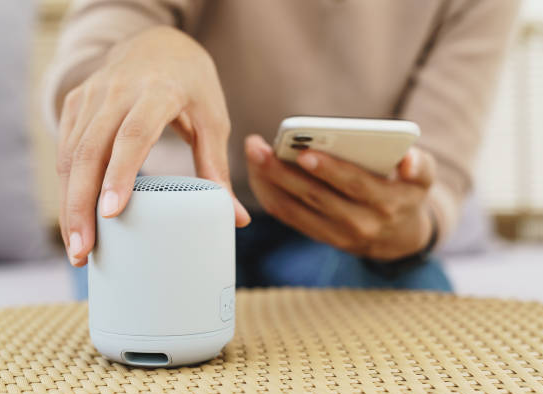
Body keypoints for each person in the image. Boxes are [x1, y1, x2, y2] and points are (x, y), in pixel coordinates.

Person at [44, 0, 519, 293]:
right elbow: (86, 63)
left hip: (341, 226)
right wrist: (142, 51)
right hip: (168, 203)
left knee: (418, 323)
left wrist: (407, 224)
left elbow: (442, 173)